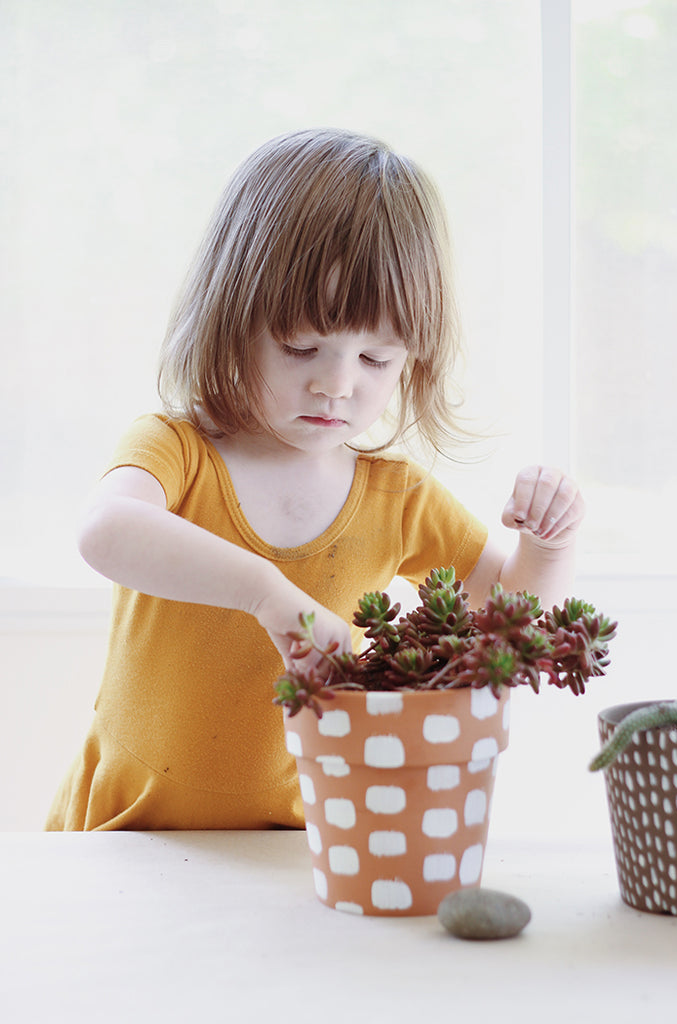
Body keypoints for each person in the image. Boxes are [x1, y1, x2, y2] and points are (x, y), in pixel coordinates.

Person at [46, 128, 584, 832]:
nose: (336, 385)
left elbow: (507, 625)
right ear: (231, 321)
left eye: (376, 359)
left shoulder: (398, 500)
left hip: (307, 842)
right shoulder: (177, 450)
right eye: (302, 346)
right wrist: (268, 596)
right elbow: (106, 532)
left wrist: (549, 545)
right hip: (126, 832)